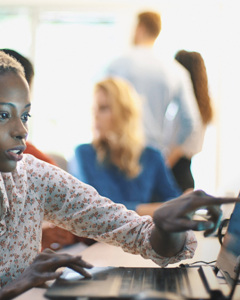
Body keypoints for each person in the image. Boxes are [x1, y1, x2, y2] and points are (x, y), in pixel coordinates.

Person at [0, 48, 240, 300]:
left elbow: (140, 236)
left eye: (24, 115)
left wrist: (164, 227)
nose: (21, 130)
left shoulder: (34, 179)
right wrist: (11, 292)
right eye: (2, 114)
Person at [103, 11, 202, 186]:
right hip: (155, 155)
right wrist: (168, 159)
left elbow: (101, 106)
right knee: (154, 211)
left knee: (121, 210)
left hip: (119, 156)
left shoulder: (117, 64)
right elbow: (191, 121)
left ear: (140, 28)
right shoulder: (176, 71)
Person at [69, 77, 181, 212]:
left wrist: (181, 205)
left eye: (103, 108)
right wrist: (153, 210)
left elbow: (176, 204)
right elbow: (101, 210)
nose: (95, 115)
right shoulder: (84, 153)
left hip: (142, 232)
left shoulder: (152, 156)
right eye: (94, 109)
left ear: (124, 112)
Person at [172, 50, 213, 191]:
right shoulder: (203, 106)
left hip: (176, 175)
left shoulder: (186, 113)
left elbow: (178, 150)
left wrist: (161, 168)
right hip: (185, 175)